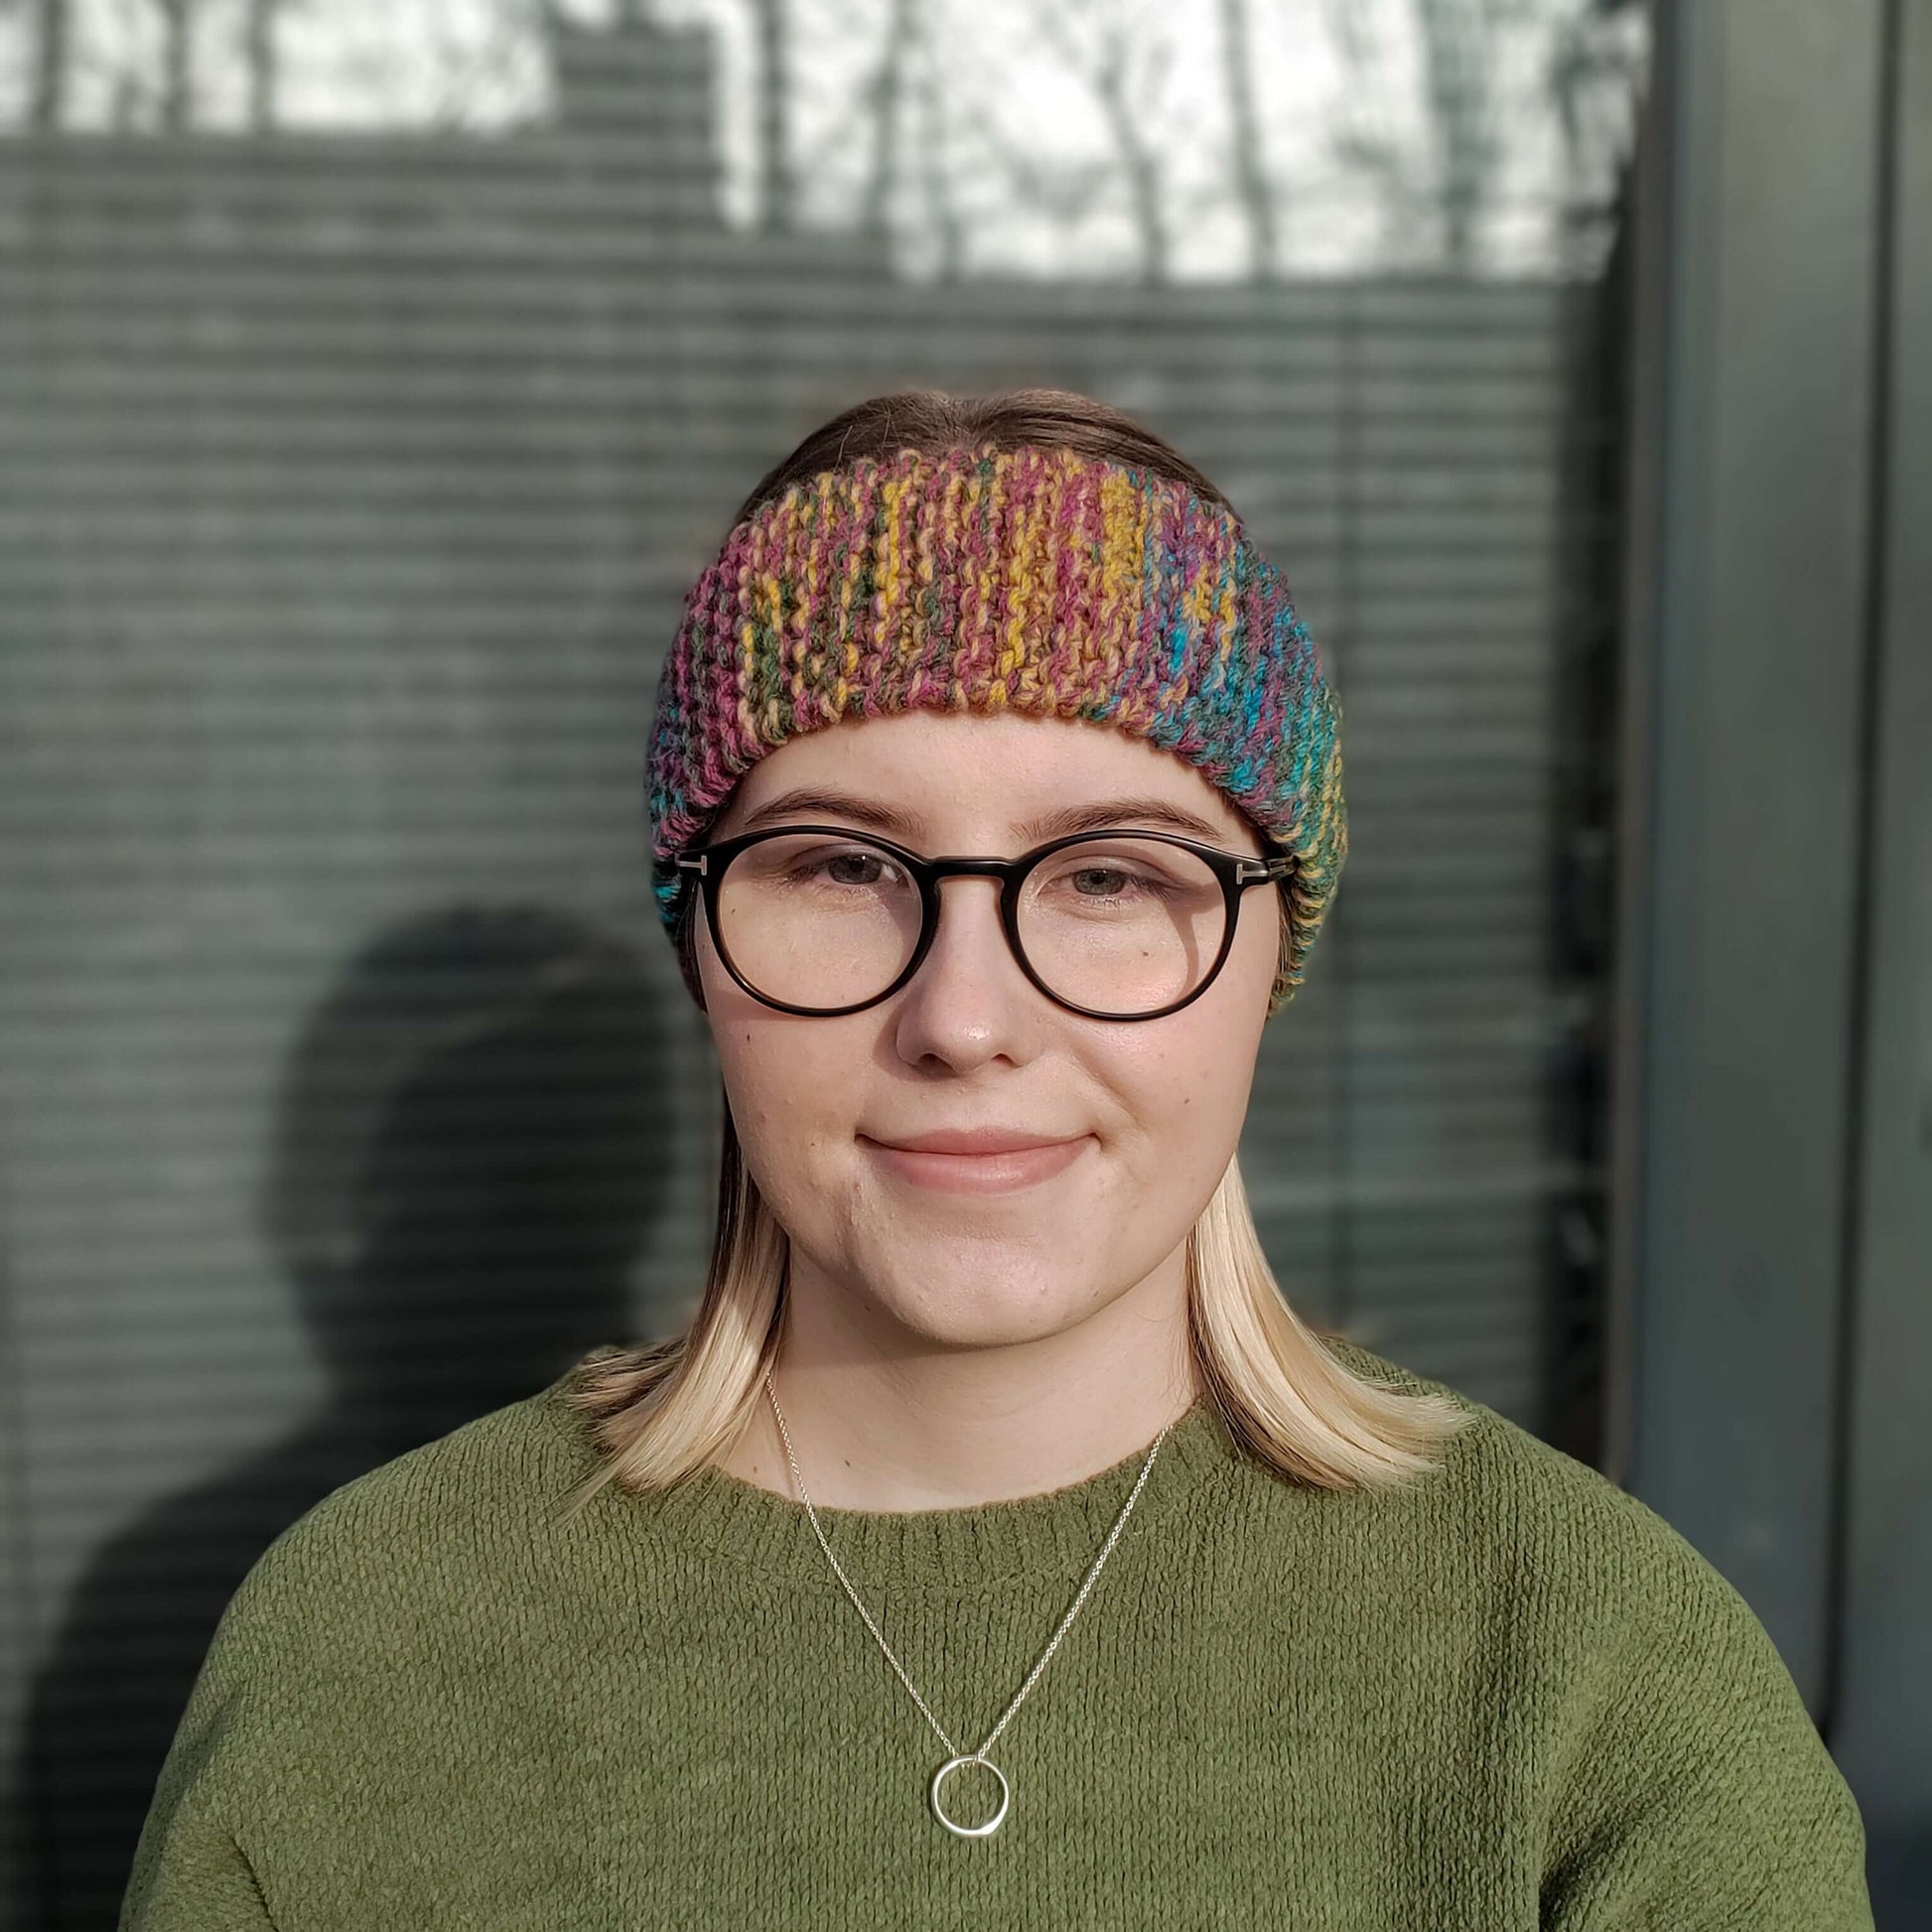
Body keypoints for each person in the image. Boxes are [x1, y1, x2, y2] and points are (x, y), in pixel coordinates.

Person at [119, 388, 1873, 1927]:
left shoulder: (1589, 1680)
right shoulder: (365, 1661)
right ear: (701, 953)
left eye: (1109, 875)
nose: (965, 1015)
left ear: (1274, 955)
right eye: (837, 865)